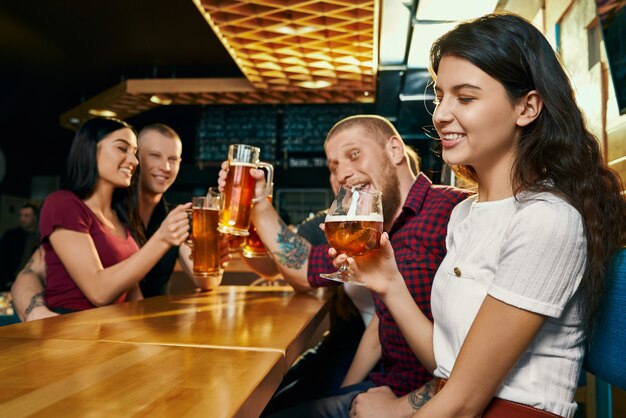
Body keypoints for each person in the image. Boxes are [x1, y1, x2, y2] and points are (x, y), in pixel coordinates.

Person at [343, 13, 626, 418]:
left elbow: (461, 404)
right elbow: (451, 365)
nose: (440, 113)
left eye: (466, 97)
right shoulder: (463, 214)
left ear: (527, 107)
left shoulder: (546, 219)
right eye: (441, 95)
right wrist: (389, 283)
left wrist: (390, 414)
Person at [219, 115, 468, 417]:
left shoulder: (453, 211)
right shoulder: (367, 230)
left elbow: (477, 360)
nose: (342, 174)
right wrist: (258, 201)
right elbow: (304, 265)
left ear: (394, 150)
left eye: (353, 155)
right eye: (333, 166)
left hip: (426, 402)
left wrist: (403, 407)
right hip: (385, 385)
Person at [11, 123, 215, 320]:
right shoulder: (65, 204)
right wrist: (37, 314)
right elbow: (33, 272)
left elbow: (205, 279)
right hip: (73, 333)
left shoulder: (122, 216)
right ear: (91, 149)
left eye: (173, 159)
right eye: (122, 149)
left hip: (118, 332)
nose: (133, 160)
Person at [0, 203, 39, 290]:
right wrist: (7, 280)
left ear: (35, 217)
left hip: (33, 284)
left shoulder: (40, 237)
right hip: (10, 282)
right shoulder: (10, 235)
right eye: (20, 215)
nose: (22, 219)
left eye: (26, 216)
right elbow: (2, 259)